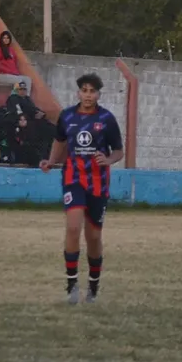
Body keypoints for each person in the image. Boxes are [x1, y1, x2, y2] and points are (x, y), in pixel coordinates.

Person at [40, 74, 124, 304]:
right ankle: (71, 284)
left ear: (98, 94)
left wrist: (108, 159)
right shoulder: (67, 116)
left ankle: (93, 288)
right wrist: (50, 160)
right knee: (73, 227)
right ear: (78, 92)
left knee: (94, 237)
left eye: (92, 91)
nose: (88, 95)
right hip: (73, 178)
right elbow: (59, 141)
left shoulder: (106, 118)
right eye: (84, 90)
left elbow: (118, 150)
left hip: (98, 182)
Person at [0, 31, 30, 95]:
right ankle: (12, 100)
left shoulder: (11, 50)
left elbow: (14, 64)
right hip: (0, 75)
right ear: (1, 39)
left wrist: (15, 72)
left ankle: (26, 99)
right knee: (19, 81)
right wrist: (8, 71)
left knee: (28, 80)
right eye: (4, 38)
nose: (6, 40)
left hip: (10, 74)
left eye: (7, 38)